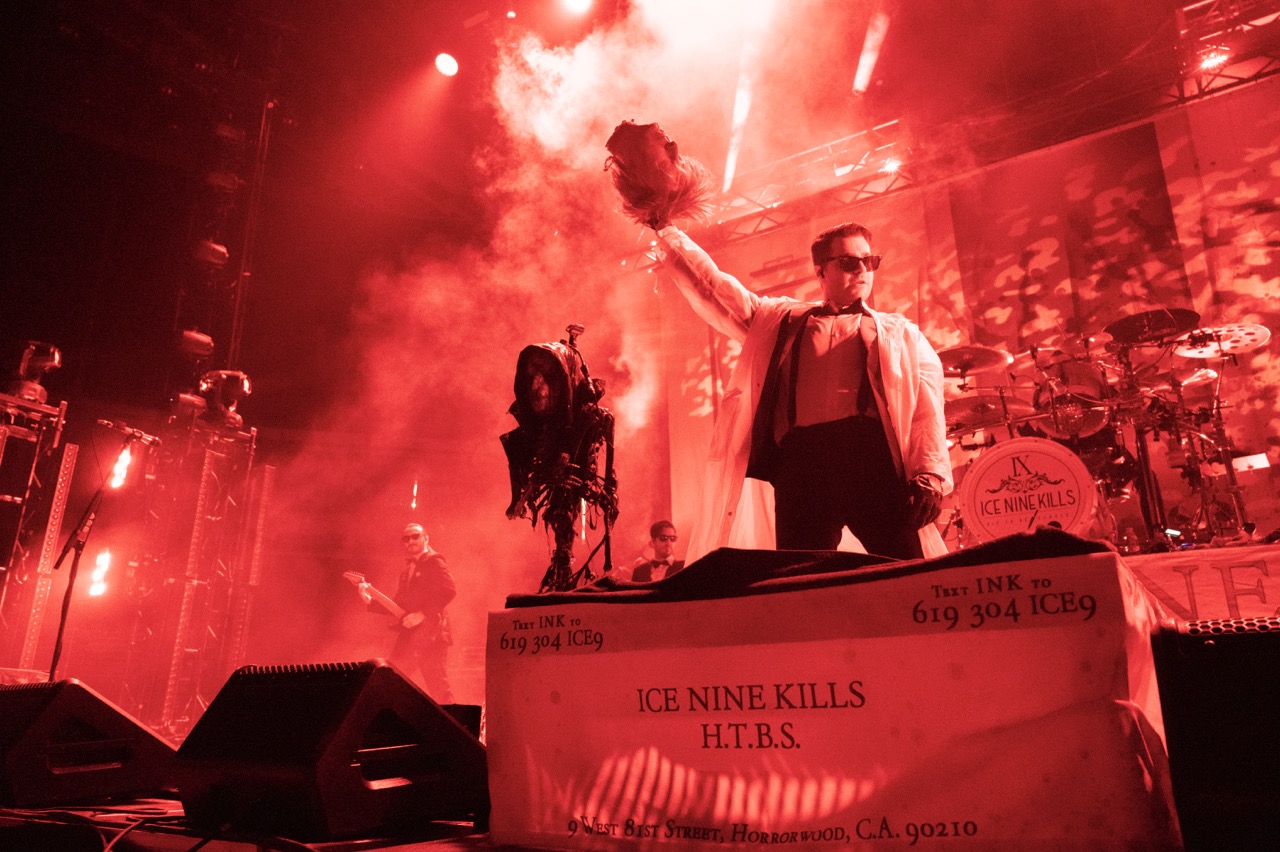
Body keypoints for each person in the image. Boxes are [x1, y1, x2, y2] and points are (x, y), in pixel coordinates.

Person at [649, 221, 953, 563]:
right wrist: (667, 231)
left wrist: (930, 475)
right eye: (849, 262)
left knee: (905, 567)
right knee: (801, 573)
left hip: (870, 459)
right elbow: (715, 289)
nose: (862, 270)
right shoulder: (782, 321)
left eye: (869, 261)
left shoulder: (900, 334)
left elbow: (926, 408)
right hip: (803, 467)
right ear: (821, 271)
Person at [358, 522, 456, 703]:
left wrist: (422, 614)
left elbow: (449, 590)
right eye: (406, 539)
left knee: (439, 688)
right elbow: (398, 605)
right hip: (411, 635)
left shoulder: (434, 561)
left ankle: (454, 721)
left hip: (432, 635)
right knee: (391, 678)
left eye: (415, 536)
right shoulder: (407, 570)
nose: (410, 541)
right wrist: (370, 601)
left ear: (426, 538)